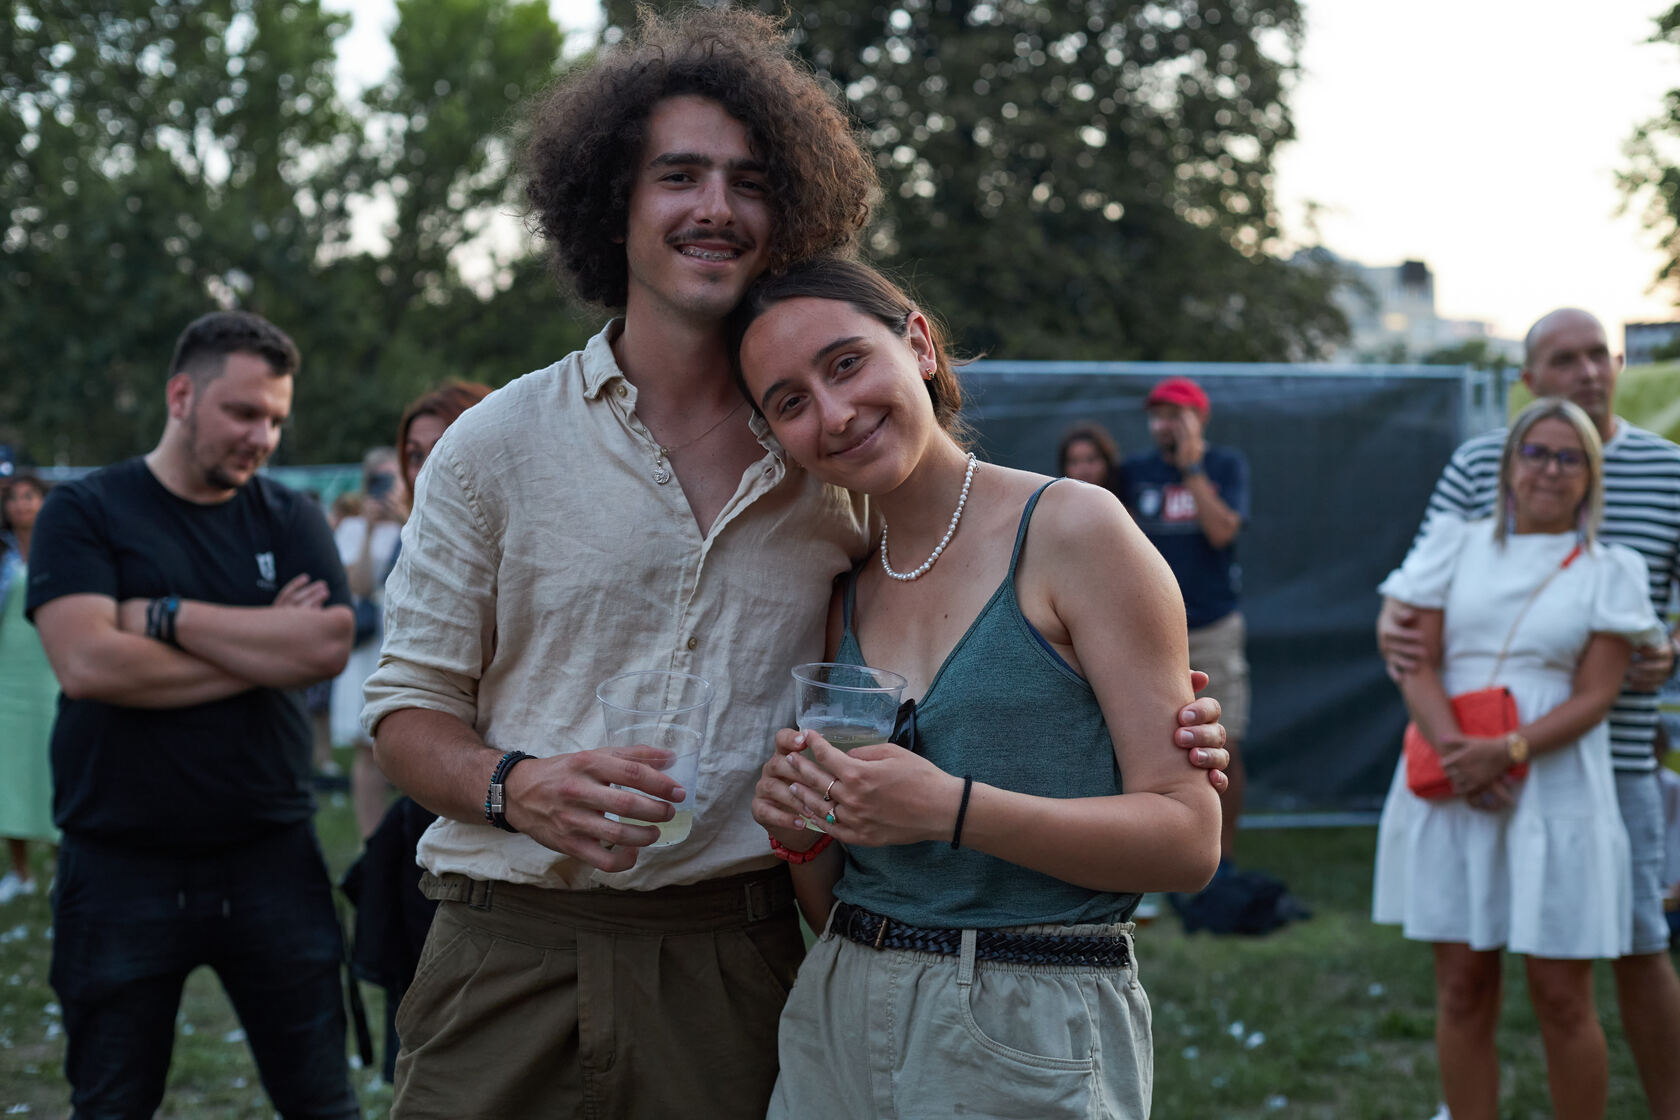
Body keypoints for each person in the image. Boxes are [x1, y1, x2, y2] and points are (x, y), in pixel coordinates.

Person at [362, 10, 1230, 1118]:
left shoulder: (840, 479)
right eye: (679, 175)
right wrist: (515, 785)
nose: (715, 206)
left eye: (751, 181)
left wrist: (1144, 716)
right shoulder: (495, 446)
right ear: (613, 202)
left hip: (741, 957)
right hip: (513, 943)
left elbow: (1008, 664)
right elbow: (404, 711)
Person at [735, 257, 1222, 1118]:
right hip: (839, 1011)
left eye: (846, 363)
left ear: (919, 345)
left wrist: (951, 808)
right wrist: (800, 832)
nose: (834, 413)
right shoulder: (840, 590)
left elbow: (1188, 841)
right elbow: (843, 893)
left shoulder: (1074, 529)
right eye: (790, 402)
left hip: (1030, 1021)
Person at [27, 310, 360, 1119]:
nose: (262, 437)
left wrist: (164, 616)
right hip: (119, 861)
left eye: (275, 419)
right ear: (181, 396)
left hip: (271, 852)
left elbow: (324, 647)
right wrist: (263, 647)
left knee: (323, 1103)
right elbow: (88, 663)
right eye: (243, 413)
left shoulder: (290, 516)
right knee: (111, 1104)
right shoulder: (85, 511)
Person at [1377, 308, 1680, 1119]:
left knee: (1586, 979)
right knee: (1463, 984)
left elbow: (1600, 688)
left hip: (1576, 775)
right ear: (1509, 460)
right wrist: (1460, 756)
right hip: (1457, 772)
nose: (1550, 469)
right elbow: (1408, 637)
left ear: (1592, 473)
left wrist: (1504, 752)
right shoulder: (1462, 518)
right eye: (1536, 454)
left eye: (1569, 458)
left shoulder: (1625, 546)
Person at [1121, 376, 1251, 863]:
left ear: (1200, 419)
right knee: (1150, 745)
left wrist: (1191, 467)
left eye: (1176, 415)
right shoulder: (1135, 472)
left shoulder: (1224, 466)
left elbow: (1221, 532)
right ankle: (1155, 855)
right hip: (1148, 631)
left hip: (1212, 626)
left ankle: (1222, 862)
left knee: (1225, 744)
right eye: (1158, 416)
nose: (1164, 425)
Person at [333, 446, 405, 837]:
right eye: (378, 479)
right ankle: (370, 839)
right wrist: (370, 530)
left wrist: (404, 519)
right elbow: (357, 586)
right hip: (369, 645)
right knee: (367, 747)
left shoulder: (417, 518)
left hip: (405, 636)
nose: (385, 487)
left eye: (391, 478)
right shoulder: (352, 528)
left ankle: (409, 840)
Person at [0, 474, 58, 903]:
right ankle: (20, 873)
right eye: (14, 499)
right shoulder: (1, 555)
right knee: (9, 772)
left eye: (29, 496)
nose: (21, 505)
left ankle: (62, 868)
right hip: (7, 675)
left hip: (52, 669)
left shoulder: (62, 550)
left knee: (54, 766)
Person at [1058, 421, 1120, 490]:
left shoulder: (1126, 491)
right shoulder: (1056, 495)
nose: (1083, 468)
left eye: (1091, 459)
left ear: (1106, 461)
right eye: (1074, 461)